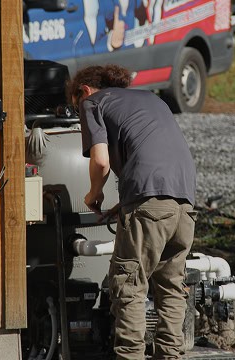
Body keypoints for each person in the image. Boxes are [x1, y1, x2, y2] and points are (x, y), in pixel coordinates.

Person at [67, 64, 197, 359]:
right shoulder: (151, 99)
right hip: (184, 201)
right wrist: (126, 204)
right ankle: (170, 355)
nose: (80, 112)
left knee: (128, 285)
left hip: (149, 201)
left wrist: (94, 193)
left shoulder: (92, 102)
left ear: (84, 90)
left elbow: (100, 162)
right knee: (172, 287)